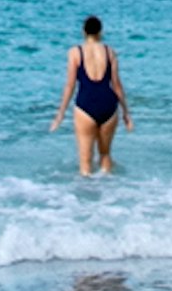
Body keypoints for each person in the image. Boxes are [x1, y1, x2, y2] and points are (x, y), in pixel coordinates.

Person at [49, 14, 128, 174]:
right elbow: (117, 85)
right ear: (101, 32)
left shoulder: (75, 52)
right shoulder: (109, 52)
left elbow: (70, 85)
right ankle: (112, 193)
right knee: (105, 155)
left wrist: (60, 115)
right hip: (109, 105)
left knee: (85, 161)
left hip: (86, 105)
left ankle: (86, 196)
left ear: (84, 32)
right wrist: (126, 114)